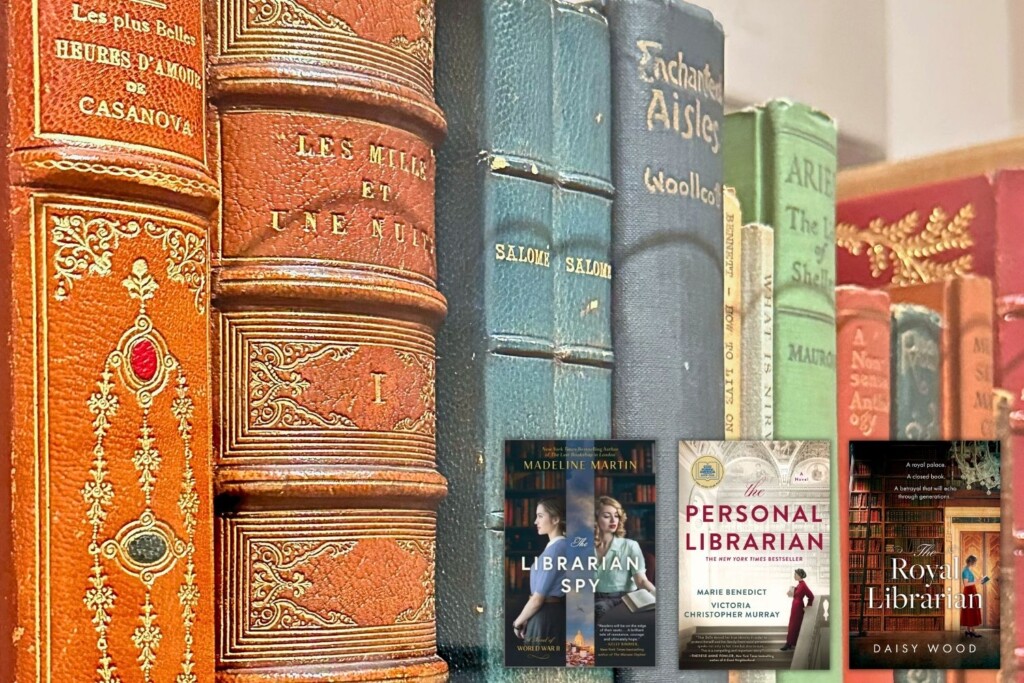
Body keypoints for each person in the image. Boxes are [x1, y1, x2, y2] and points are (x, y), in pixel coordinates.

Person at [513, 498, 567, 643]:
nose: (535, 522)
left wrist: (518, 622)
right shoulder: (559, 547)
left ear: (555, 519)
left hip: (545, 616)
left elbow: (537, 599)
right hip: (549, 614)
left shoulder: (556, 550)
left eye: (540, 516)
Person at [593, 496, 656, 619]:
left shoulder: (630, 546)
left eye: (616, 516)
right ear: (595, 520)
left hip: (622, 602)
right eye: (607, 516)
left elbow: (641, 581)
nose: (613, 520)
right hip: (591, 600)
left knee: (600, 611)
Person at [781, 568, 814, 651]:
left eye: (795, 574)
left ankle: (789, 643)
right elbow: (797, 594)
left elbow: (811, 596)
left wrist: (808, 606)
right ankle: (790, 643)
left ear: (799, 576)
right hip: (795, 606)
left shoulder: (803, 585)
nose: (794, 576)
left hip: (798, 607)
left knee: (794, 625)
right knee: (792, 624)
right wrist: (791, 592)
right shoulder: (799, 585)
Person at [961, 555, 983, 638]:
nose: (975, 563)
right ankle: (972, 631)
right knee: (970, 610)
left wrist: (978, 580)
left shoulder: (968, 570)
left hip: (972, 591)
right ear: (972, 562)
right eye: (975, 562)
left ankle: (969, 631)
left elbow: (971, 581)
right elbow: (966, 584)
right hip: (969, 591)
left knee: (970, 610)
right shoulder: (965, 571)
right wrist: (977, 581)